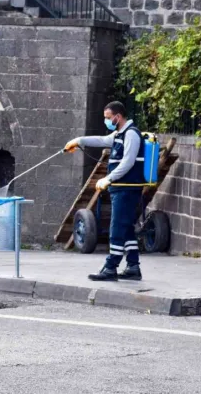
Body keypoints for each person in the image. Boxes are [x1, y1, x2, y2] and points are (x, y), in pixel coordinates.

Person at [64, 101, 145, 281]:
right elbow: (102, 140)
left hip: (127, 189)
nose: (106, 121)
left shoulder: (131, 134)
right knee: (127, 228)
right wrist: (79, 141)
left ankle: (110, 268)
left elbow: (128, 162)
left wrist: (108, 178)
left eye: (108, 118)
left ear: (118, 116)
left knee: (116, 228)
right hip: (120, 188)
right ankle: (133, 267)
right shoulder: (119, 134)